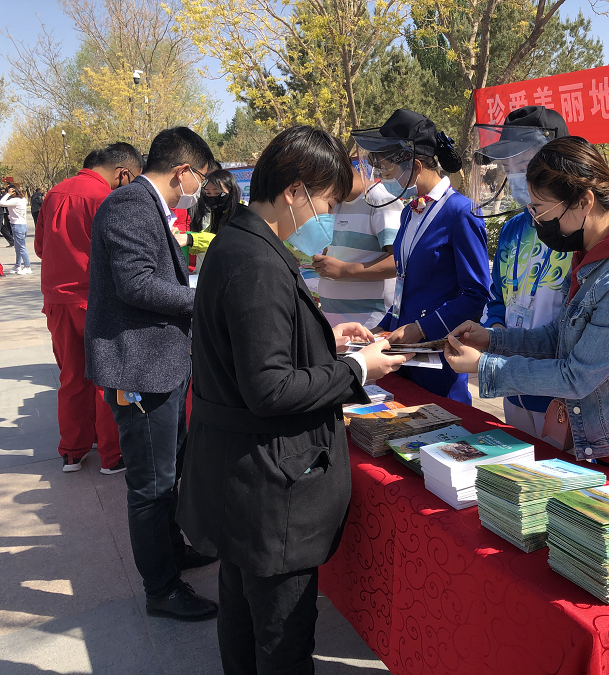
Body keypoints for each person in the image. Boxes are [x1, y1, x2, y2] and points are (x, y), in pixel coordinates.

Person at [177, 125, 410, 674]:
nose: (327, 216)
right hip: (267, 489)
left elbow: (250, 346)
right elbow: (270, 388)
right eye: (328, 202)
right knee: (280, 641)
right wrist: (357, 368)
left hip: (238, 479)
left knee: (240, 613)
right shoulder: (256, 262)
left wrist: (325, 339)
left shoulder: (240, 243)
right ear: (296, 192)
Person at [444, 137, 609, 507]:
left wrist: (486, 369)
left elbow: (576, 376)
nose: (537, 221)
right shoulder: (597, 256)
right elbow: (562, 336)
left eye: (541, 209)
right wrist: (494, 341)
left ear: (584, 201)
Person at [84, 127, 219, 621]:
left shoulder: (146, 207)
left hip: (161, 362)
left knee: (170, 469)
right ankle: (161, 588)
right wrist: (208, 298)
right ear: (183, 170)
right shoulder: (128, 206)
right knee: (151, 485)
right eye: (200, 177)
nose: (199, 187)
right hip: (137, 365)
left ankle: (172, 549)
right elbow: (136, 284)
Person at [352, 109, 491, 403]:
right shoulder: (408, 212)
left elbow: (476, 294)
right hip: (403, 356)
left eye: (389, 172)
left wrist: (422, 329)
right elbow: (407, 283)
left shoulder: (461, 212)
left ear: (415, 167)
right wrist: (380, 328)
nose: (384, 180)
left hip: (439, 359)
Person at [34, 142, 143, 474]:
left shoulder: (54, 194)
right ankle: (113, 456)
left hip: (57, 300)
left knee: (71, 377)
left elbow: (40, 247)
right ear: (123, 173)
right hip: (94, 301)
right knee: (106, 378)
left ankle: (72, 452)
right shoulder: (107, 199)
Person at [472, 106, 573, 446]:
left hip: (561, 392)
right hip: (512, 383)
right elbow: (497, 294)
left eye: (523, 165)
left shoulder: (576, 231)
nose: (515, 176)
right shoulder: (513, 228)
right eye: (507, 167)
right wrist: (496, 331)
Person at [312, 158, 402, 329]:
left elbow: (400, 261)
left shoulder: (381, 201)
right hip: (336, 328)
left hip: (371, 326)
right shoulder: (335, 204)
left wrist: (345, 270)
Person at [187, 169, 241, 275]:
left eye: (217, 192)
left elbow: (225, 240)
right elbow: (203, 238)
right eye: (208, 193)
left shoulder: (242, 213)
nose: (212, 197)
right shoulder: (208, 213)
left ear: (231, 190)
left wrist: (191, 239)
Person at [1, 185, 31, 274]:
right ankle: (17, 266)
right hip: (19, 225)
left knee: (21, 248)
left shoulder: (16, 200)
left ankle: (27, 266)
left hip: (18, 226)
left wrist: (7, 194)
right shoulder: (21, 199)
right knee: (18, 247)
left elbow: (1, 202)